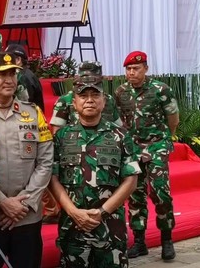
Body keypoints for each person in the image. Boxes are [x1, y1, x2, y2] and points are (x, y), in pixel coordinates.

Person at [49, 71, 140, 268]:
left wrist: (102, 212)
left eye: (95, 95)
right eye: (83, 96)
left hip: (110, 227)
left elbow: (131, 180)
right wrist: (73, 212)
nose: (89, 100)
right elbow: (52, 179)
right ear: (74, 103)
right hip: (72, 227)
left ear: (104, 101)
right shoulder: (62, 137)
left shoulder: (120, 136)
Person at [0, 53, 53, 268]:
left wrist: (23, 205)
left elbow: (45, 162)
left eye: (12, 74)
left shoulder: (34, 113)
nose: (9, 80)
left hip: (27, 217)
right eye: (1, 74)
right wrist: (2, 202)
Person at [114, 51, 179, 260]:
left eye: (136, 68)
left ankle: (167, 240)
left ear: (146, 69)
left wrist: (163, 140)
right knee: (134, 195)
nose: (132, 72)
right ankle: (139, 241)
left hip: (156, 146)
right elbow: (119, 121)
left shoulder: (161, 90)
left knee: (160, 192)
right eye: (128, 69)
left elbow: (173, 118)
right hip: (132, 148)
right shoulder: (121, 92)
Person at [50, 61, 122, 133]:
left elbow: (118, 126)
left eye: (93, 77)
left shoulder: (108, 99)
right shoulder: (65, 100)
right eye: (86, 77)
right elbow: (57, 132)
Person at [5, 44, 44, 111]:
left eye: (7, 58)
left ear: (18, 60)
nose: (4, 61)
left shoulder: (22, 77)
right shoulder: (27, 73)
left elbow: (25, 104)